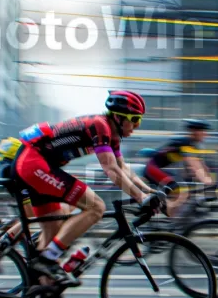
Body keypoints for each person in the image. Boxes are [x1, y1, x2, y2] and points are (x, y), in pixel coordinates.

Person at [12, 90, 162, 286]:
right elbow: (110, 169)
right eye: (134, 119)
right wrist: (141, 198)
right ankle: (45, 259)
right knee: (95, 206)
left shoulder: (112, 135)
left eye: (139, 121)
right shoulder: (100, 126)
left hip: (39, 164)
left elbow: (123, 168)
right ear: (117, 117)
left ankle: (42, 295)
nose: (135, 126)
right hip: (33, 163)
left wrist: (148, 191)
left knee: (53, 232)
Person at [143, 119, 215, 217]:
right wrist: (207, 181)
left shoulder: (193, 145)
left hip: (159, 169)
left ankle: (171, 214)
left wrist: (211, 180)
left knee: (186, 192)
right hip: (152, 168)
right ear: (194, 132)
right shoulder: (185, 142)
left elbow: (201, 165)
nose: (205, 134)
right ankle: (171, 222)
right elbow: (194, 165)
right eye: (203, 131)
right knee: (181, 192)